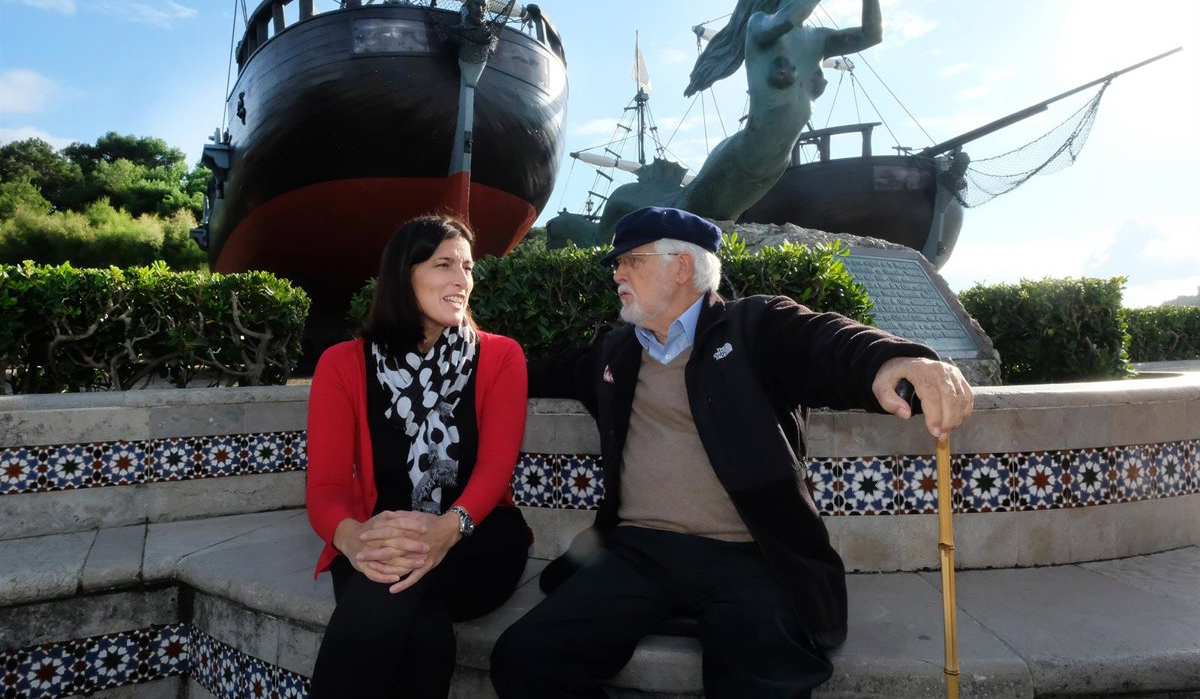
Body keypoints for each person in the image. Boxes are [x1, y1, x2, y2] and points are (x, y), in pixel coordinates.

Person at [490, 206, 973, 698]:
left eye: (630, 260)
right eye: (618, 263)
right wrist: (473, 368)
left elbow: (828, 343)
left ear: (681, 267)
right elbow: (536, 373)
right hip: (638, 550)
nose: (617, 273)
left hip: (751, 552)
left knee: (762, 682)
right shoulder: (615, 352)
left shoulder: (755, 327)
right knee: (524, 657)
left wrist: (896, 361)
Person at [306, 215, 530, 698]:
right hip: (377, 539)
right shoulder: (342, 364)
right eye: (444, 264)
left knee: (382, 599)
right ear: (402, 275)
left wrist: (445, 530)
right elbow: (326, 486)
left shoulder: (501, 356)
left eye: (467, 267)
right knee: (423, 633)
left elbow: (496, 468)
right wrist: (352, 538)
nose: (462, 279)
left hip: (475, 537)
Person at [598, 0, 887, 233]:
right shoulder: (759, 25)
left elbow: (872, 35)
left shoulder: (819, 39)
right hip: (744, 155)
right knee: (688, 217)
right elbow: (786, 19)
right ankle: (609, 227)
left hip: (775, 164)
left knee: (718, 227)